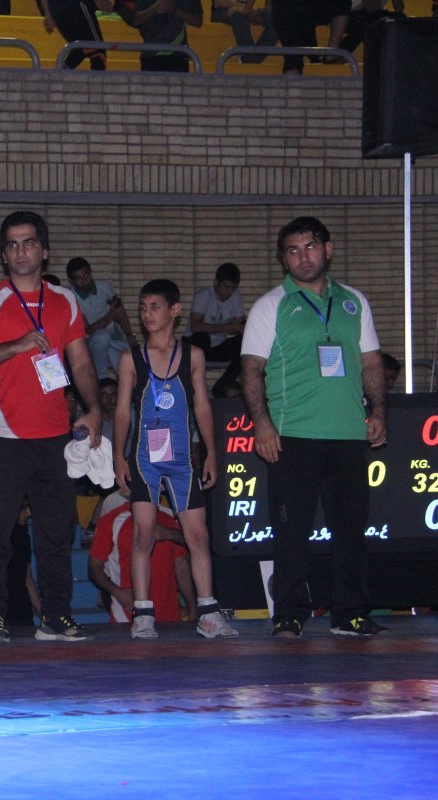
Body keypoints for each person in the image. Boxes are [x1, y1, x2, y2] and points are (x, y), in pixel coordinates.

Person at [0, 211, 103, 643]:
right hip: (3, 436)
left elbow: (80, 361)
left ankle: (56, 617)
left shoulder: (65, 301)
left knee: (57, 534)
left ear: (45, 251)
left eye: (30, 243)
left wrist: (94, 409)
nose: (22, 251)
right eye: (13, 244)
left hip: (55, 437)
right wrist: (16, 346)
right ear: (4, 255)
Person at [240, 216, 388, 638]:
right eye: (293, 250)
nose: (302, 257)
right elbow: (251, 369)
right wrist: (262, 424)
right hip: (293, 434)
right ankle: (289, 613)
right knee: (292, 531)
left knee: (351, 530)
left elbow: (371, 363)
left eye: (310, 246)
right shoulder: (271, 305)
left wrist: (379, 411)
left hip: (348, 433)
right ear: (283, 258)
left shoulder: (354, 302)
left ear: (328, 249)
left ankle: (351, 613)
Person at [113, 279, 237, 639]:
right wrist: (118, 456)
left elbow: (202, 406)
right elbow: (121, 411)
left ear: (174, 310)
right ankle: (143, 614)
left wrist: (211, 452)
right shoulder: (130, 358)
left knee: (198, 534)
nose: (147, 314)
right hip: (144, 458)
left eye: (155, 307)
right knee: (143, 532)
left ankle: (208, 613)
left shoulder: (193, 355)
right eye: (143, 307)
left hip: (181, 458)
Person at [88, 491, 193, 625]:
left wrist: (192, 607)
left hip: (169, 614)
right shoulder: (112, 521)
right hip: (129, 614)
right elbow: (94, 567)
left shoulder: (169, 519)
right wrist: (118, 593)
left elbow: (181, 566)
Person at [66, 257, 137, 379]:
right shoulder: (70, 296)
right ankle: (102, 378)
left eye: (86, 275)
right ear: (72, 281)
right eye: (78, 278)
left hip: (113, 337)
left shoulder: (104, 286)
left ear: (90, 272)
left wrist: (130, 335)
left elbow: (120, 311)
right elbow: (88, 330)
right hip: (91, 342)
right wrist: (110, 315)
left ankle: (120, 383)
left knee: (130, 351)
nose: (85, 281)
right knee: (102, 337)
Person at [186, 262, 246, 392]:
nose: (229, 291)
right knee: (202, 337)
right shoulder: (204, 295)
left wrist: (241, 327)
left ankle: (221, 387)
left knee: (245, 345)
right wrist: (225, 328)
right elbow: (195, 326)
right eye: (226, 287)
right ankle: (192, 388)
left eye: (233, 287)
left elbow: (240, 322)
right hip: (197, 345)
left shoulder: (236, 297)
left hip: (218, 346)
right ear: (215, 282)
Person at [115, 0, 204, 73]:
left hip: (178, 55)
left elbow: (198, 21)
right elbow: (134, 20)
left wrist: (175, 10)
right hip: (151, 55)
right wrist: (154, 8)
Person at [210, 0, 276, 64]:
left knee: (277, 21)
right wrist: (246, 8)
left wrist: (249, 9)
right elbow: (219, 2)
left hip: (249, 9)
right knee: (239, 16)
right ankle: (249, 55)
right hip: (224, 9)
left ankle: (254, 57)